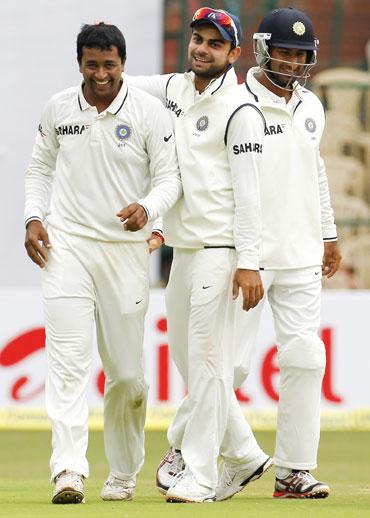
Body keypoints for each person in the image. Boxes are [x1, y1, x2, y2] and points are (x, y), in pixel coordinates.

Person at [24, 22, 181, 504]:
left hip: (124, 253)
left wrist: (149, 209)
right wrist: (34, 217)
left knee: (127, 376)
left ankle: (123, 472)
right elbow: (40, 167)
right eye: (91, 64)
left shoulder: (149, 112)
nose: (100, 73)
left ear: (123, 63)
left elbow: (170, 178)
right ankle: (68, 471)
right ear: (79, 64)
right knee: (68, 366)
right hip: (67, 247)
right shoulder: (59, 107)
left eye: (109, 64)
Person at [127, 7, 272, 503]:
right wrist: (99, 68)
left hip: (223, 252)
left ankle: (202, 474)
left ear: (234, 54)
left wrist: (249, 261)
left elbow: (251, 195)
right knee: (197, 370)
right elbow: (124, 84)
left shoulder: (241, 110)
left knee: (210, 366)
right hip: (183, 253)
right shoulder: (175, 90)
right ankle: (248, 455)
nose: (201, 49)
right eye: (197, 39)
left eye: (214, 43)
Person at [215, 7, 342, 500]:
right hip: (248, 257)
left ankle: (293, 472)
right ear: (264, 50)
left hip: (302, 255)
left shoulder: (311, 105)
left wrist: (328, 233)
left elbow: (316, 172)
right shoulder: (236, 102)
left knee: (307, 357)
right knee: (230, 368)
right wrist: (243, 256)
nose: (291, 63)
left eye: (300, 55)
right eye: (284, 53)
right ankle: (190, 450)